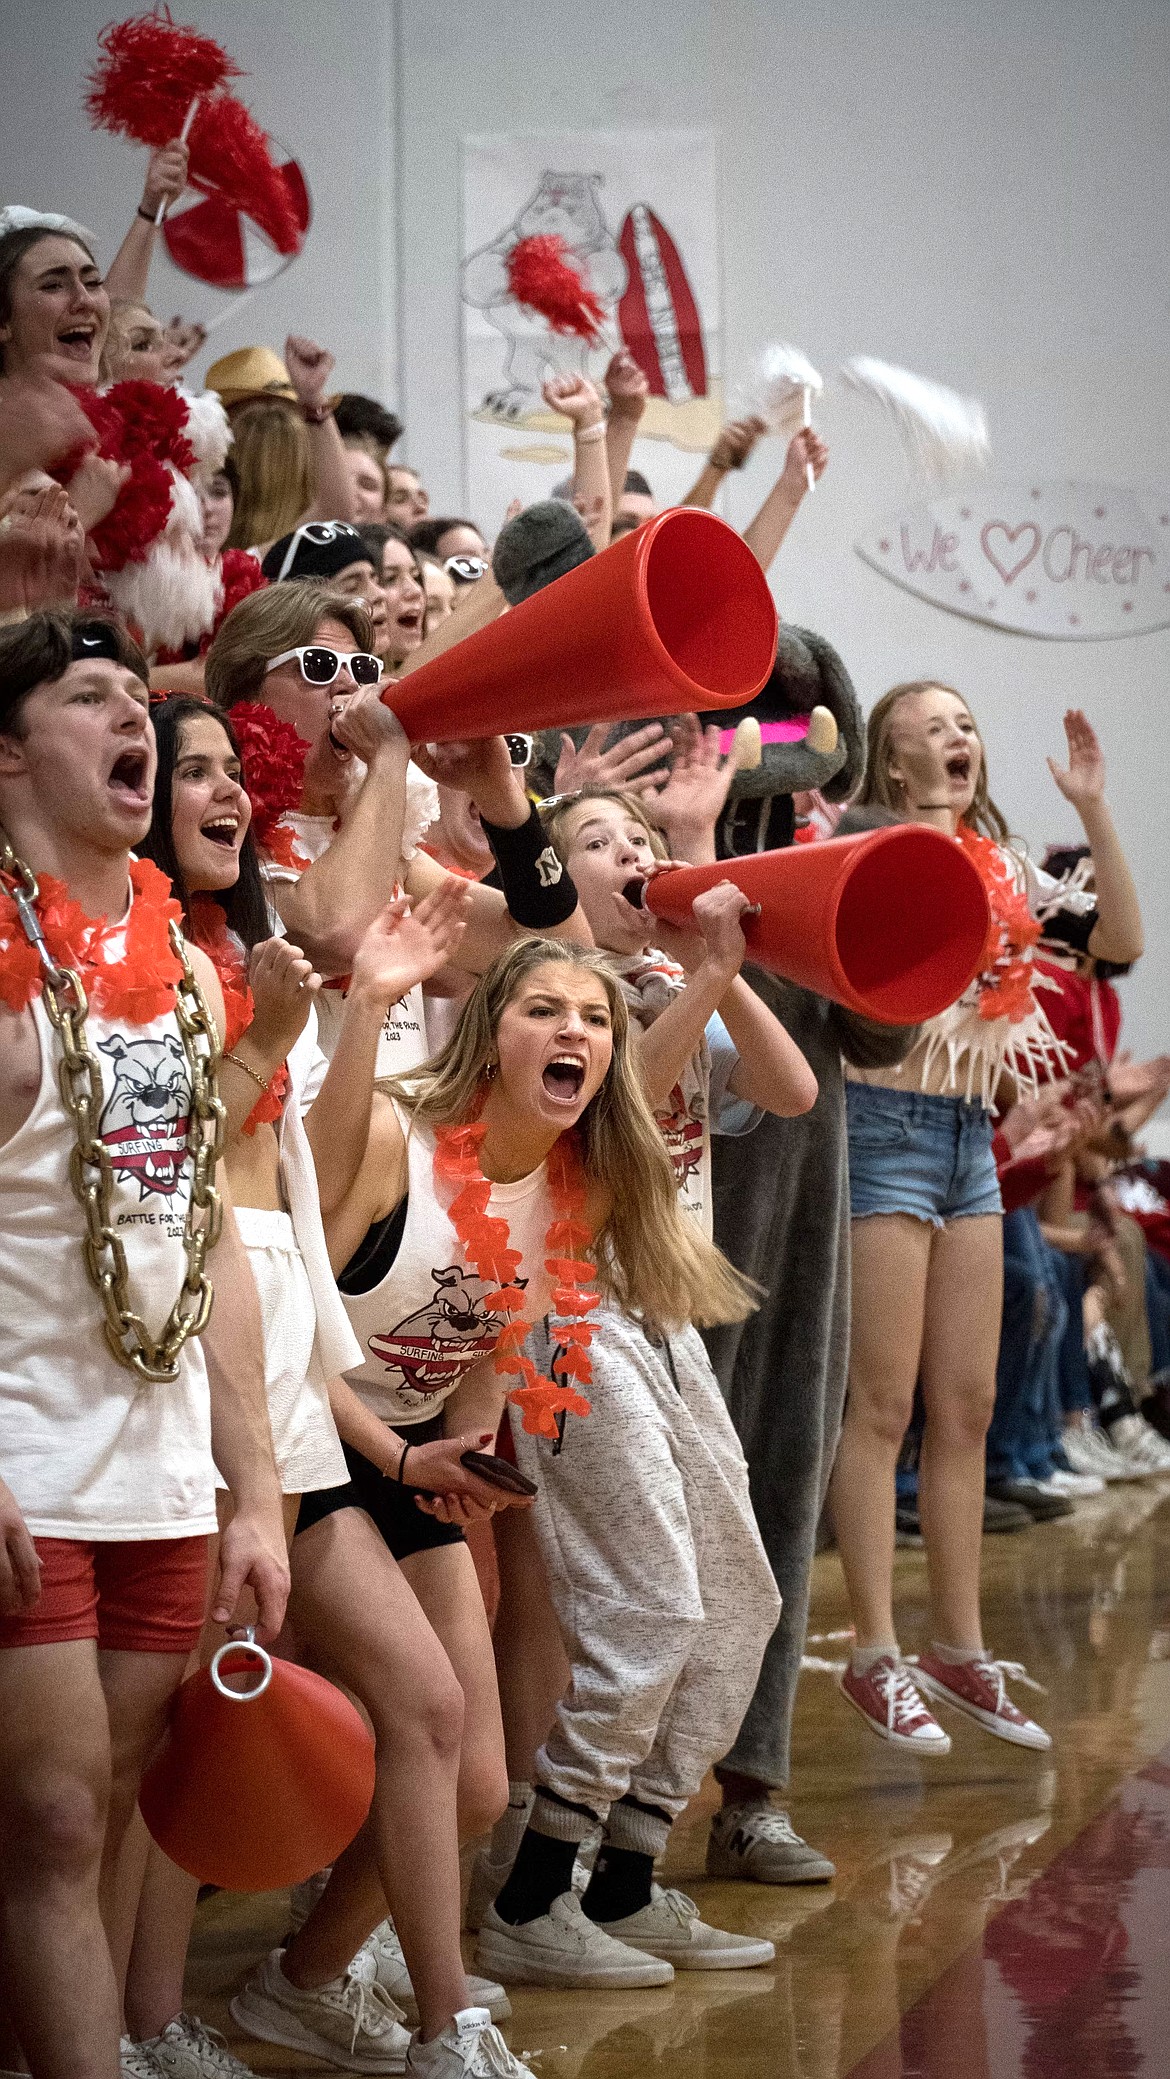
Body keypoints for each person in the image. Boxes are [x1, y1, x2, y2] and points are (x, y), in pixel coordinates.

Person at [238, 933, 744, 2071]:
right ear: (487, 1034)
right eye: (544, 1011)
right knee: (419, 1708)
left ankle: (301, 1983)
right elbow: (281, 1319)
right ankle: (444, 2029)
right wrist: (365, 1005)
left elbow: (487, 1336)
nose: (575, 1032)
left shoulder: (579, 1181)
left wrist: (464, 1445)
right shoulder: (391, 1139)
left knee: (473, 1788)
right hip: (300, 1441)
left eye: (596, 1020)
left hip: (414, 1454)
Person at [0, 610, 288, 2079]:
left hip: (165, 1462)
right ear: (6, 748)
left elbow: (207, 1235)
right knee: (48, 1818)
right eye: (90, 696)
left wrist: (251, 1485)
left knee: (105, 1802)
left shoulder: (183, 963)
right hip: (24, 1461)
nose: (135, 719)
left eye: (139, 695)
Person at [471, 772, 818, 1987]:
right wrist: (703, 979)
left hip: (659, 1318)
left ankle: (623, 1880)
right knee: (655, 1606)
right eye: (600, 841)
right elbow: (602, 1121)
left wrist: (710, 954)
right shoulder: (548, 987)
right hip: (562, 1310)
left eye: (641, 837)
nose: (632, 856)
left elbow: (793, 1094)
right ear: (559, 873)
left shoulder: (669, 981)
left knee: (743, 1604)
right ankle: (531, 1893)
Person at [830, 688, 1143, 1756]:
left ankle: (957, 1649)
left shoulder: (1004, 867)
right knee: (879, 1407)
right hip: (878, 1127)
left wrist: (1094, 808)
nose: (961, 737)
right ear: (892, 755)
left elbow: (1123, 938)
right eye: (935, 725)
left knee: (965, 1405)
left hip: (968, 1137)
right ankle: (874, 1652)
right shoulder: (862, 848)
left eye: (969, 723)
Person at [203, 582, 590, 1075]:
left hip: (401, 1142)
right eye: (319, 666)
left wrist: (502, 801)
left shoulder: (386, 841)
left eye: (362, 669)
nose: (349, 687)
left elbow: (566, 951)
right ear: (245, 697)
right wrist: (389, 756)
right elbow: (339, 933)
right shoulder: (228, 833)